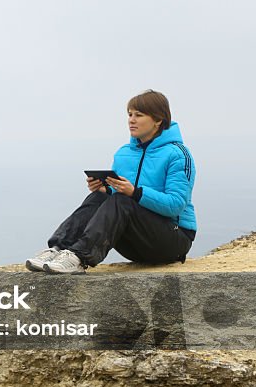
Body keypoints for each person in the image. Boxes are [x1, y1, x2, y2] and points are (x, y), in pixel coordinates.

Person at [26, 90, 197, 274]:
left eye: (138, 115)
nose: (131, 120)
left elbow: (176, 205)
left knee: (122, 201)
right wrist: (105, 190)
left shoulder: (178, 154)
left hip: (173, 240)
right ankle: (58, 249)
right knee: (97, 199)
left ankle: (79, 258)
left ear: (158, 120)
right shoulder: (124, 153)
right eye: (129, 114)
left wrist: (135, 193)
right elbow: (121, 204)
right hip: (135, 242)